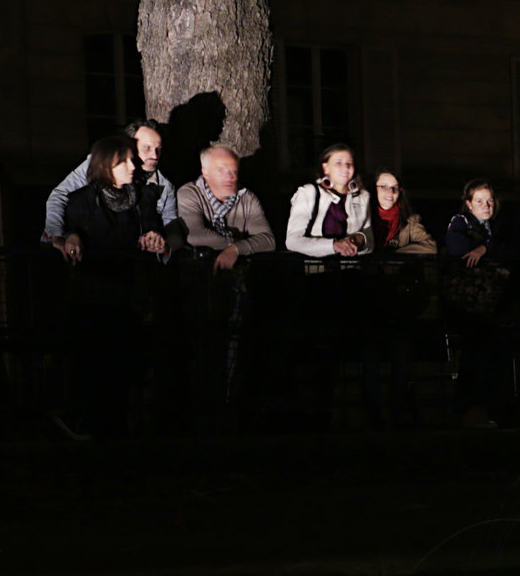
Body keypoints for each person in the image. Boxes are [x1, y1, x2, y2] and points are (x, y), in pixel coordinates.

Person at [58, 135, 169, 435]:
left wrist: (153, 238)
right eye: (125, 160)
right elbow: (74, 231)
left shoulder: (142, 199)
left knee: (123, 369)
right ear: (108, 164)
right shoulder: (82, 200)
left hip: (129, 297)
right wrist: (73, 239)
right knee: (96, 365)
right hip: (95, 298)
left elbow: (152, 230)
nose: (133, 165)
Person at [175, 143, 277, 428]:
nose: (231, 176)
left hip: (237, 290)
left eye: (234, 170)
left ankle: (229, 411)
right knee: (202, 349)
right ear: (205, 172)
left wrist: (234, 251)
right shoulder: (189, 193)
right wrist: (240, 246)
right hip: (198, 288)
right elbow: (194, 235)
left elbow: (268, 239)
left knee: (236, 346)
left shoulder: (247, 198)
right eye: (222, 170)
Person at [46, 120, 177, 255]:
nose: (154, 156)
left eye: (158, 149)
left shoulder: (160, 185)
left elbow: (170, 226)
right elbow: (60, 196)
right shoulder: (101, 163)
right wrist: (59, 236)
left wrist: (163, 244)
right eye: (147, 148)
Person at [441, 180, 512, 425]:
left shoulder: (498, 225)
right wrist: (486, 248)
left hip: (494, 303)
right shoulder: (460, 222)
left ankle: (490, 412)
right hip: (469, 304)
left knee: (493, 357)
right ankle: (469, 412)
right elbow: (457, 248)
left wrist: (483, 249)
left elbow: (509, 249)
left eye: (490, 200)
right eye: (479, 201)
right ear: (469, 204)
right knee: (474, 356)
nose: (486, 205)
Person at [285, 143, 371, 260]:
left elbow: (370, 240)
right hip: (315, 272)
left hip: (352, 272)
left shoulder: (362, 197)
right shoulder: (308, 193)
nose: (345, 168)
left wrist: (359, 240)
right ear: (326, 168)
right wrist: (334, 245)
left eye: (349, 163)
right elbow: (292, 241)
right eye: (338, 163)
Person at [367, 171, 438, 256]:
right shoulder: (361, 215)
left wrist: (394, 256)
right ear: (374, 189)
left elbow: (431, 247)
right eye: (383, 187)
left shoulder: (410, 220)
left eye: (395, 188)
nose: (391, 192)